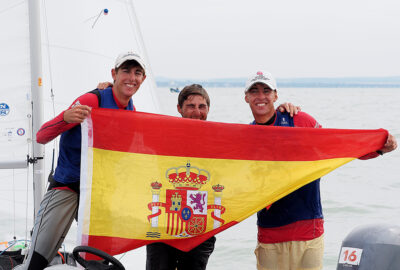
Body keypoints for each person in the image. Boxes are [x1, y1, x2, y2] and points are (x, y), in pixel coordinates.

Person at [243, 70, 397, 270]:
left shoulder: (299, 121)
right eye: (254, 91)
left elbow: (335, 147)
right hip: (269, 234)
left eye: (266, 90)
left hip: (308, 230)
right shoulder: (246, 137)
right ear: (246, 97)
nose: (261, 96)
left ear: (275, 95)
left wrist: (377, 148)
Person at [22, 51, 147, 270]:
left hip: (98, 194)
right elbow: (41, 136)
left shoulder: (131, 109)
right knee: (36, 261)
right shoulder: (92, 99)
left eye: (137, 73)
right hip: (67, 186)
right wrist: (65, 117)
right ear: (114, 74)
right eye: (126, 71)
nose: (131, 77)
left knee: (97, 264)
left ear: (143, 79)